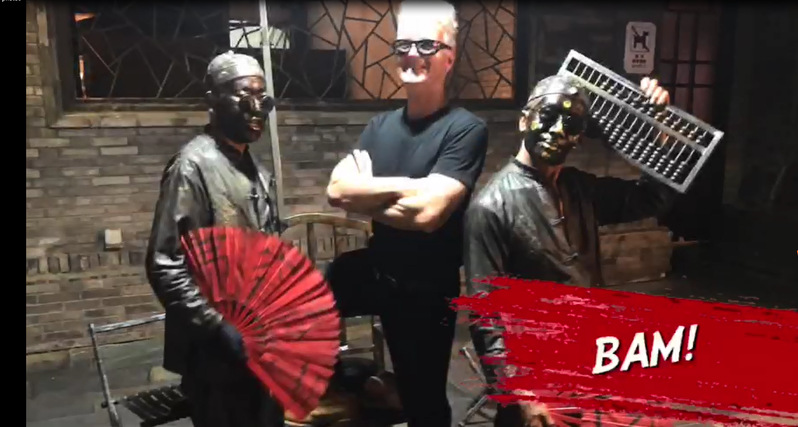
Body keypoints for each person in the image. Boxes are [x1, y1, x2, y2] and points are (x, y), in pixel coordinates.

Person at [464, 75, 674, 426]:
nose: (558, 130)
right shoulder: (491, 207)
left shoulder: (579, 188)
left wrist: (658, 131)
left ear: (579, 136)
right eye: (547, 116)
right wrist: (522, 395)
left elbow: (650, 198)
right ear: (524, 120)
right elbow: (485, 314)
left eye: (572, 124)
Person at [323, 1, 489, 425]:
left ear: (450, 56)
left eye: (426, 44)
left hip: (426, 291)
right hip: (379, 270)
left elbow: (429, 214)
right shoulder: (378, 127)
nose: (411, 54)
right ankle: (351, 386)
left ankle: (399, 398)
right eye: (403, 44)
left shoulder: (465, 129)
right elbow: (337, 190)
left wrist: (367, 196)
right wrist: (414, 187)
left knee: (424, 402)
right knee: (314, 292)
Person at [145, 51, 284, 427]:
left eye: (262, 97)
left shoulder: (257, 171)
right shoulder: (192, 167)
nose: (257, 108)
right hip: (215, 352)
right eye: (244, 96)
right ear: (213, 100)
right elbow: (165, 263)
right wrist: (216, 326)